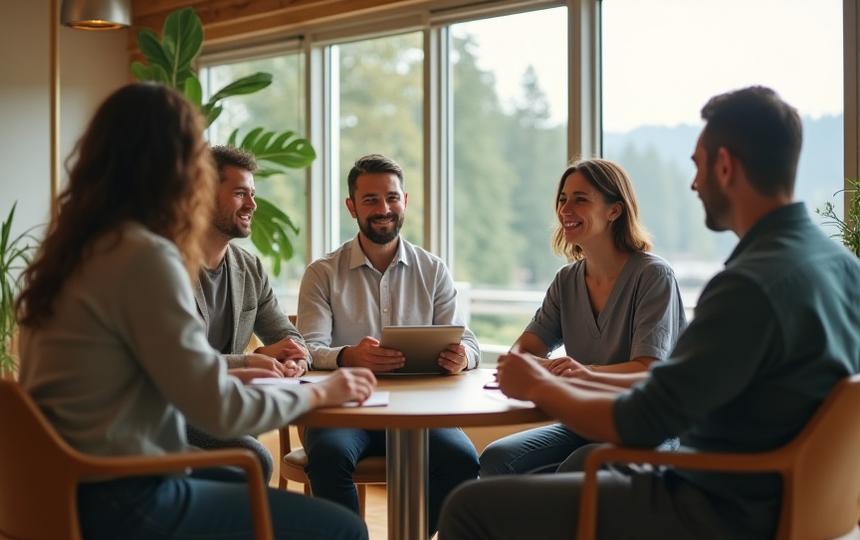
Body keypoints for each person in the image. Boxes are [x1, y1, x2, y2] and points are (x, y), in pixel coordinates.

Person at [438, 86, 860, 540]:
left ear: (725, 166)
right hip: (797, 502)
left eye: (698, 166)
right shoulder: (841, 266)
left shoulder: (748, 286)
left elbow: (642, 421)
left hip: (714, 505)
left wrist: (543, 383)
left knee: (468, 506)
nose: (694, 183)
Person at [15, 83, 375, 540]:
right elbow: (221, 412)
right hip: (125, 502)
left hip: (56, 490)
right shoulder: (143, 256)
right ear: (177, 168)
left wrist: (235, 372)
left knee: (235, 476)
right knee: (342, 529)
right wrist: (323, 394)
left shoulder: (71, 252)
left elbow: (134, 379)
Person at [296, 153, 481, 533]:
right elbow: (308, 349)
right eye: (371, 200)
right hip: (344, 411)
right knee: (329, 458)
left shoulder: (434, 270)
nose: (384, 209)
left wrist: (463, 357)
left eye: (392, 198)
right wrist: (349, 356)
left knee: (463, 461)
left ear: (405, 201)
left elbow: (470, 342)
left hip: (421, 412)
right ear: (352, 207)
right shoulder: (322, 273)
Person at [479, 158, 686, 477]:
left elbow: (649, 370)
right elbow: (524, 351)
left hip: (645, 429)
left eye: (580, 199)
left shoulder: (654, 276)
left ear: (614, 210)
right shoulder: (566, 281)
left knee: (580, 466)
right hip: (585, 421)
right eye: (563, 199)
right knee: (497, 457)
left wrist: (582, 372)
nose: (565, 209)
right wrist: (542, 366)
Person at [184, 144, 311, 483]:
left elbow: (289, 336)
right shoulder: (169, 266)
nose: (252, 205)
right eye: (240, 193)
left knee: (249, 457)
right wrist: (249, 360)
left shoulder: (249, 268)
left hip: (225, 406)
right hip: (175, 407)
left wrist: (294, 357)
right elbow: (179, 364)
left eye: (252, 194)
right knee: (252, 458)